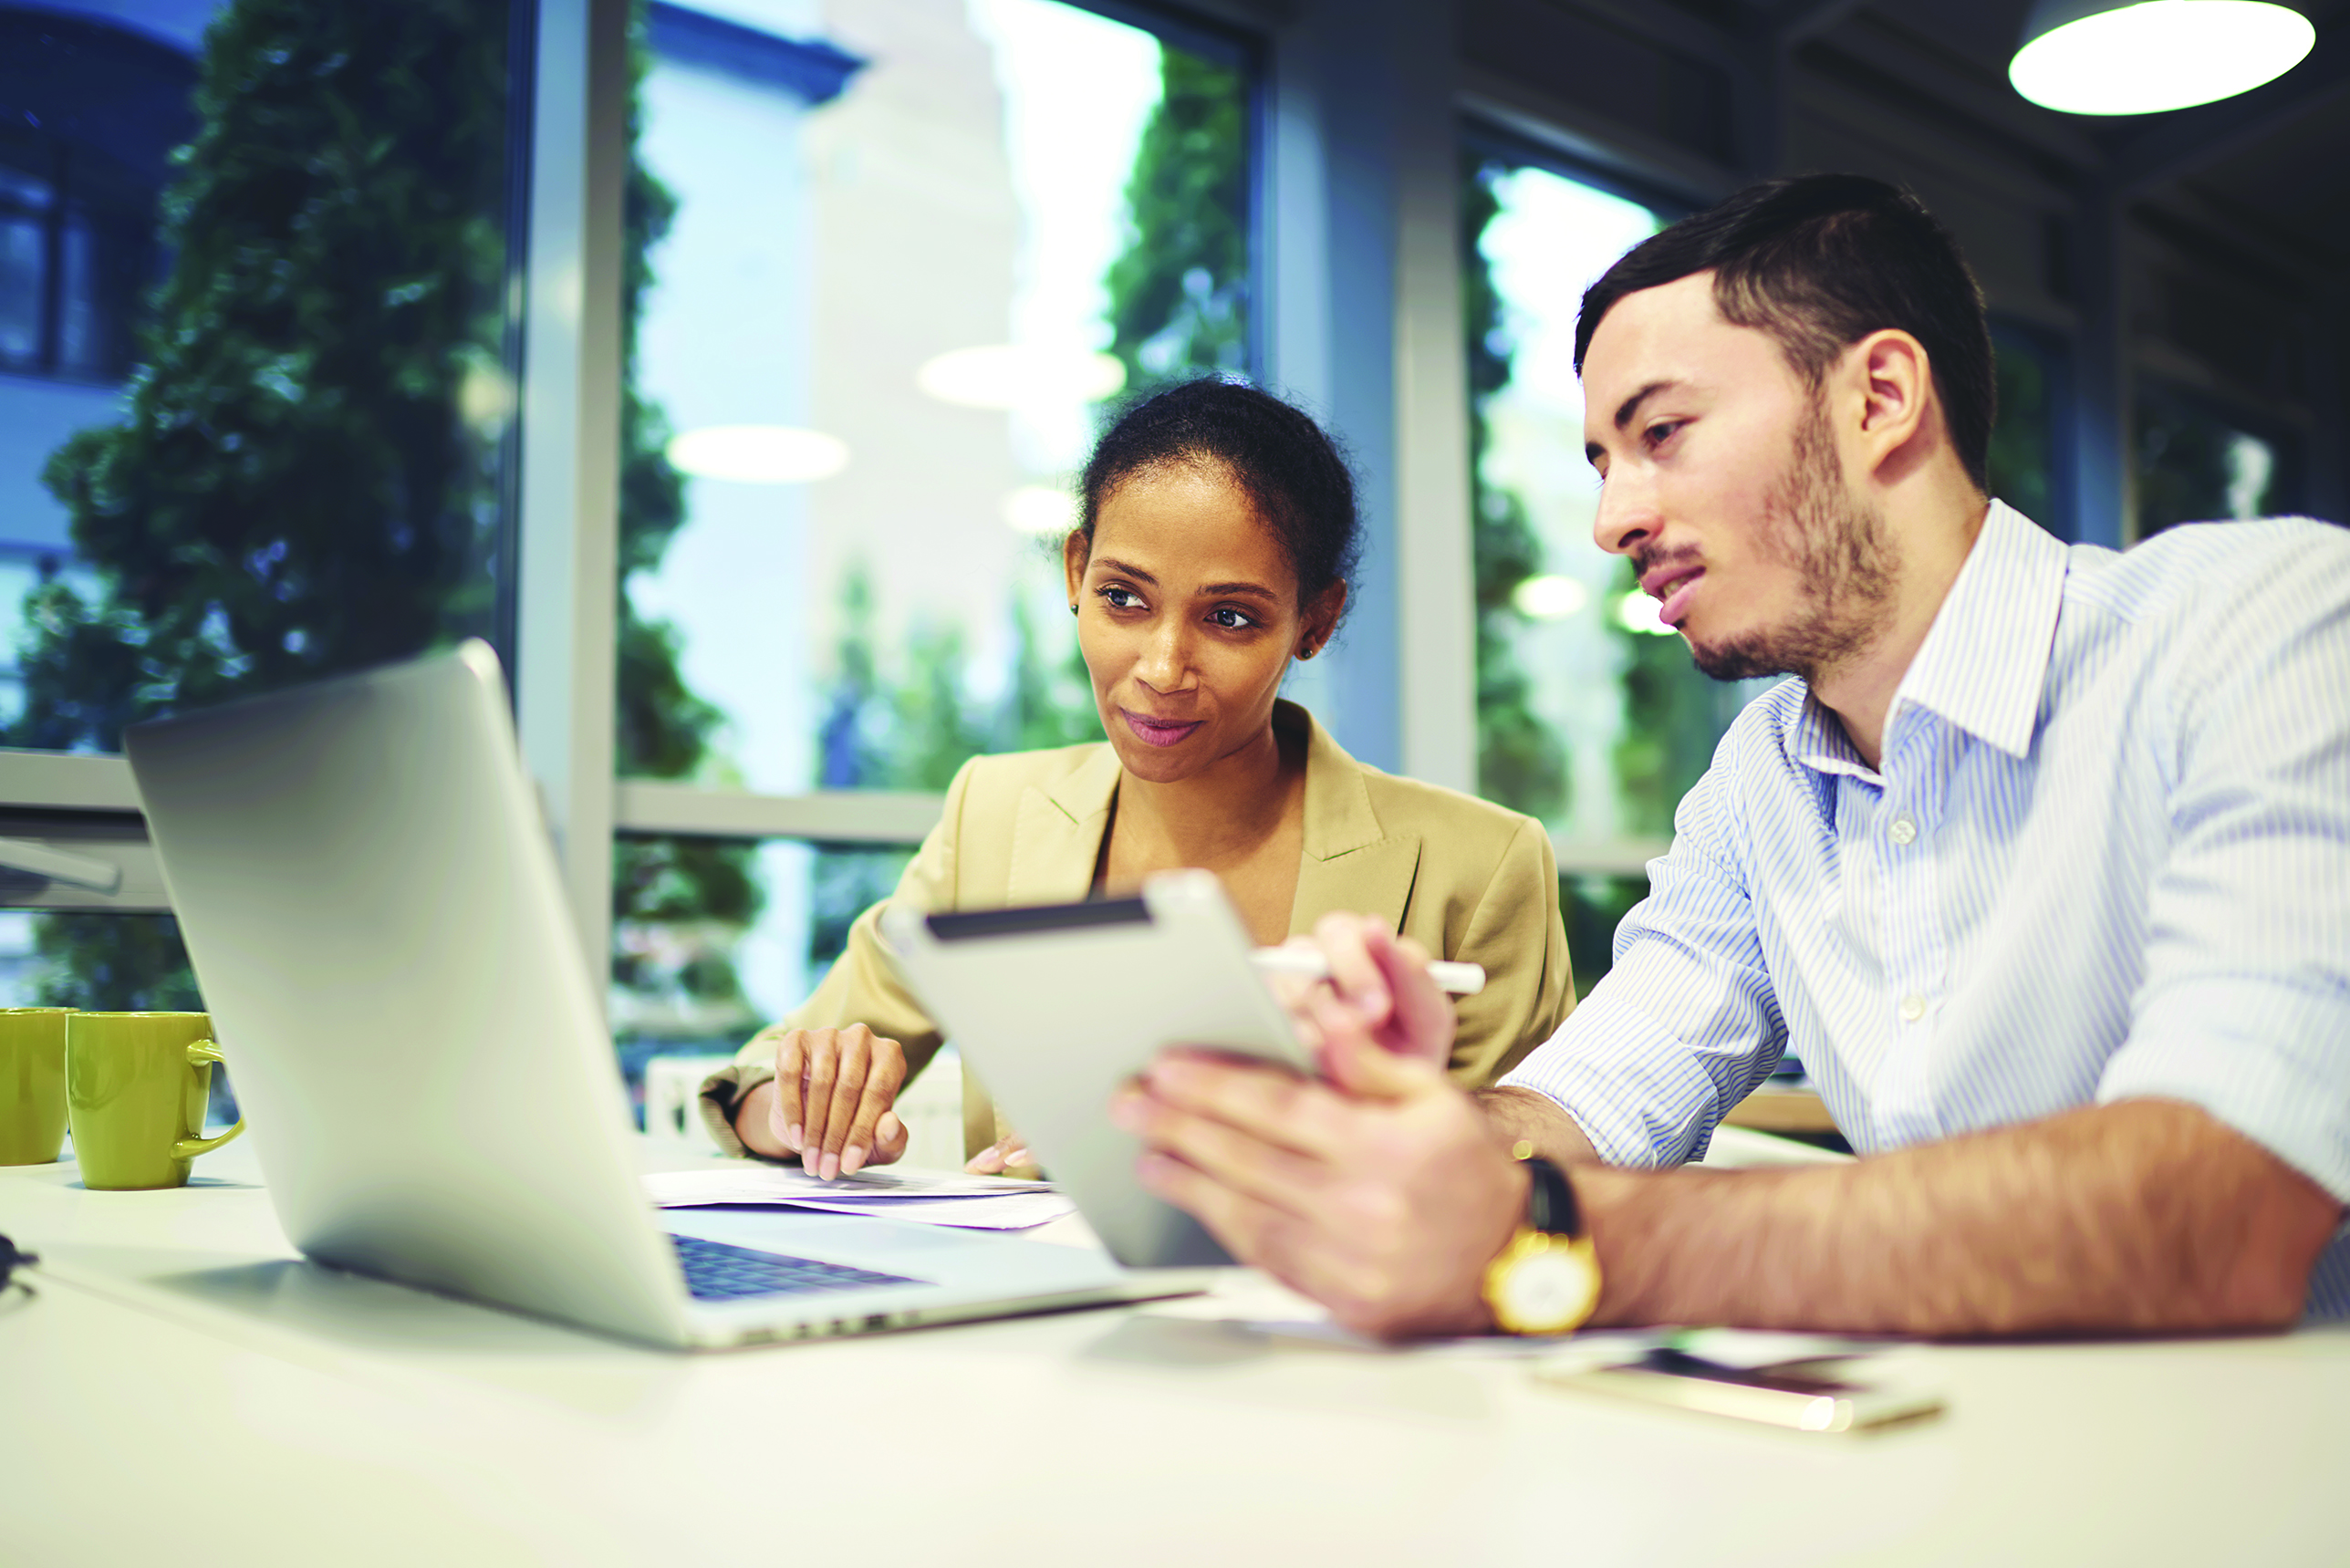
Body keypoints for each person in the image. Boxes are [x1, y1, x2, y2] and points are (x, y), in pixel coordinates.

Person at [1115, 174, 2350, 1340]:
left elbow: (2229, 1204)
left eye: (1662, 433)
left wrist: (1538, 1234)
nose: (1614, 519)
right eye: (1603, 460)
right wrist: (1391, 1143)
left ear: (1879, 399)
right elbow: (1595, 1100)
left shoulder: (2269, 626)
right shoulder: (1762, 779)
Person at [699, 378, 1575, 1179]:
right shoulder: (995, 815)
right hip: (1037, 1337)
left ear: (1315, 621)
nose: (1162, 665)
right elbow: (757, 1081)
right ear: (1076, 571)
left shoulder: (1479, 865)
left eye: (1229, 617)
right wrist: (802, 1100)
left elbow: (1532, 1174)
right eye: (1123, 597)